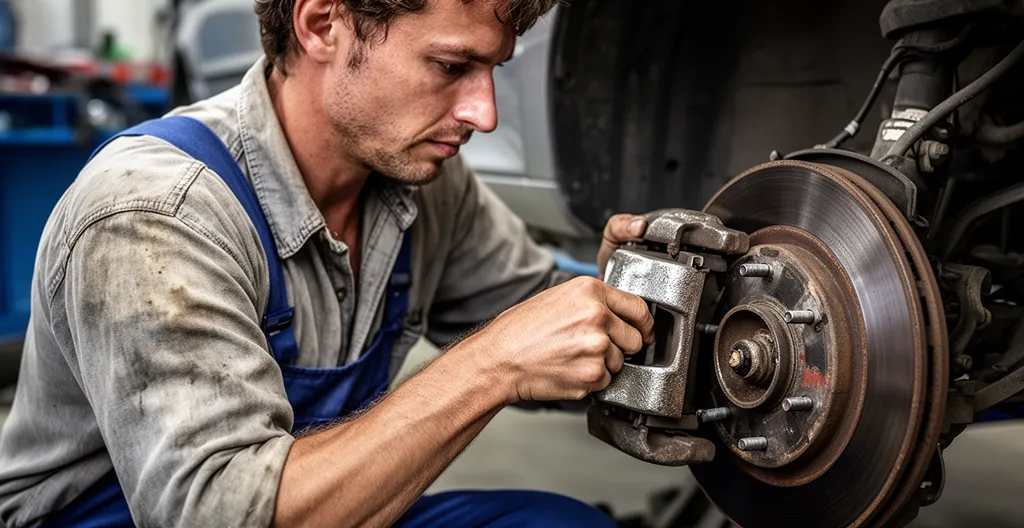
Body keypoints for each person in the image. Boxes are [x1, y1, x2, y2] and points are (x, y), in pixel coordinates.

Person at [0, 0, 655, 526]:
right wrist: (493, 365)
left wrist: (625, 306)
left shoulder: (423, 185)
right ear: (323, 25)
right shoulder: (155, 215)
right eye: (451, 66)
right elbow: (215, 513)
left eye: (493, 70)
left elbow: (542, 320)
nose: (482, 113)